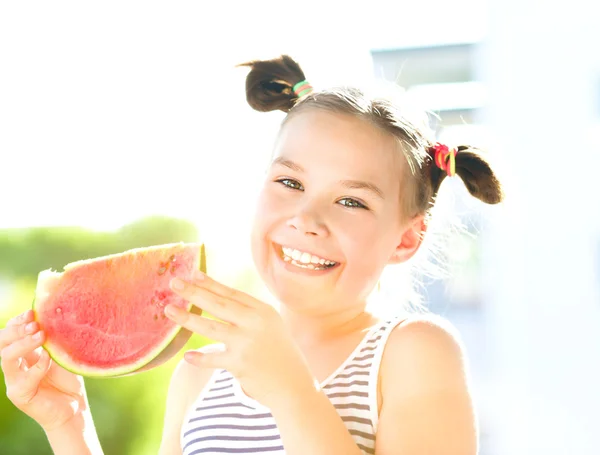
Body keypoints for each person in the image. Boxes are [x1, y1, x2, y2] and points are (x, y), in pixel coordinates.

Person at [0, 54, 503, 455]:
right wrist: (70, 426)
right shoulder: (200, 370)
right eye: (290, 182)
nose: (307, 218)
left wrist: (291, 390)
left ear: (405, 239)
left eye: (351, 201)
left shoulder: (413, 352)